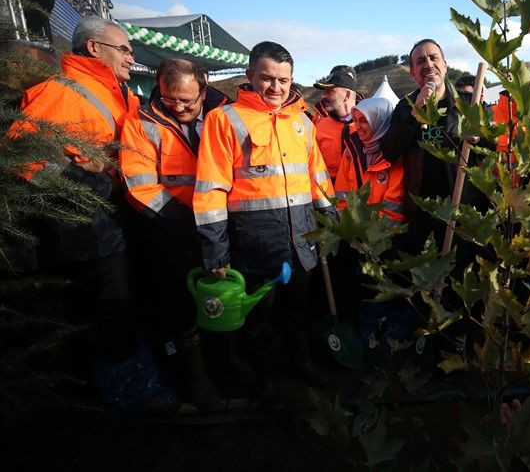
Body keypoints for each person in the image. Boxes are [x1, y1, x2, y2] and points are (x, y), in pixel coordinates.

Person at [12, 15, 175, 412]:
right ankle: (128, 393)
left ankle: (131, 378)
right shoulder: (61, 91)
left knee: (125, 304)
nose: (131, 57)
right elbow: (24, 162)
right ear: (93, 48)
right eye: (124, 48)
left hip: (115, 221)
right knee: (110, 309)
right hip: (85, 229)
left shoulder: (117, 93)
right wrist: (97, 178)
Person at [193, 41, 335, 410]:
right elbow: (210, 190)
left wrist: (332, 219)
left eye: (284, 81)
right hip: (254, 241)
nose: (276, 88)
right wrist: (216, 250)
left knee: (297, 309)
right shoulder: (224, 120)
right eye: (267, 79)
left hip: (301, 234)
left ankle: (301, 364)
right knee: (259, 319)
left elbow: (317, 175)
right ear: (249, 76)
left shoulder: (302, 121)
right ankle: (266, 381)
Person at [120, 58, 232, 409]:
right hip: (169, 231)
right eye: (171, 99)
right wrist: (189, 223)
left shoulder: (226, 112)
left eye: (188, 100)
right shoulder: (140, 122)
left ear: (204, 87)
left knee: (223, 298)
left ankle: (226, 364)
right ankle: (196, 379)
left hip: (223, 228)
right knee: (179, 306)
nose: (180, 107)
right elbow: (139, 185)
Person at [382, 38, 477, 251]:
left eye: (433, 58)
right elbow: (389, 151)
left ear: (445, 65)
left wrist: (480, 139)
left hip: (462, 208)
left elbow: (493, 150)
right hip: (422, 212)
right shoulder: (405, 108)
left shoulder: (469, 105)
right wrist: (415, 115)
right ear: (413, 73)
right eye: (420, 61)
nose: (428, 64)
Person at [335, 97, 403, 223]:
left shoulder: (395, 152)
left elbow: (395, 202)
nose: (358, 126)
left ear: (380, 121)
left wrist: (374, 234)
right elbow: (342, 193)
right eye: (355, 120)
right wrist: (347, 225)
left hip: (385, 234)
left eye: (363, 120)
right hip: (356, 231)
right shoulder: (351, 150)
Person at [311, 65, 362, 185]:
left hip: (364, 200)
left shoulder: (369, 123)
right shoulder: (319, 127)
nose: (324, 96)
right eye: (324, 91)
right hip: (330, 199)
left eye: (330, 91)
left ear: (347, 95)